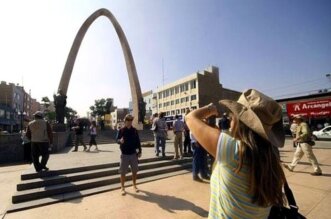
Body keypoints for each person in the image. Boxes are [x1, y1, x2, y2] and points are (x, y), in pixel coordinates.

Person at [186, 89, 286, 218]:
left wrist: (209, 109)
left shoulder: (233, 150)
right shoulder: (271, 153)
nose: (230, 122)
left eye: (232, 118)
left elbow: (190, 117)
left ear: (239, 122)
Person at [116, 114, 142, 195]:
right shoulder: (121, 130)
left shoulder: (134, 130)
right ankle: (122, 187)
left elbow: (138, 142)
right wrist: (120, 141)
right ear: (125, 121)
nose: (130, 122)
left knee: (134, 171)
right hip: (124, 154)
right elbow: (116, 139)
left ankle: (134, 185)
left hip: (133, 154)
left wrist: (140, 151)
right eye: (128, 120)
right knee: (123, 172)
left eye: (131, 120)